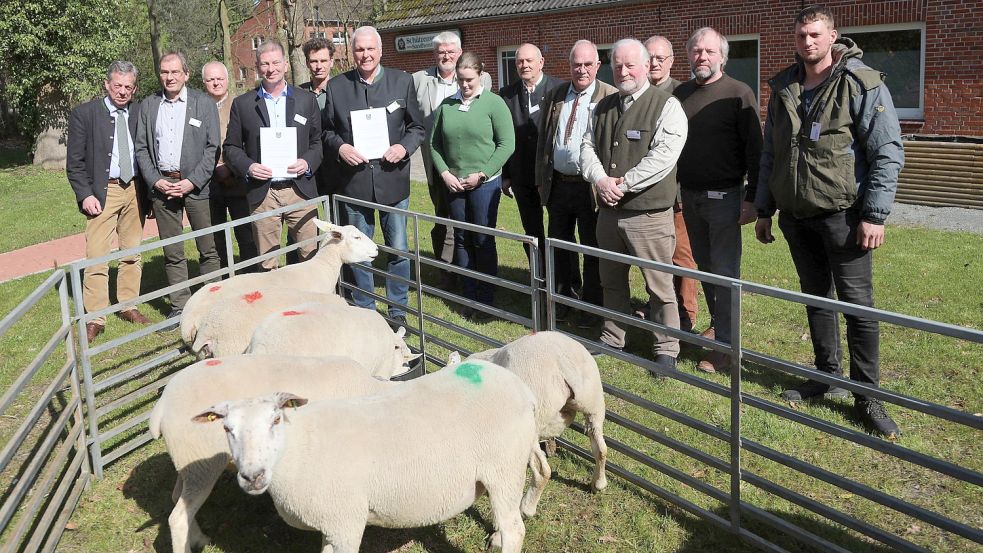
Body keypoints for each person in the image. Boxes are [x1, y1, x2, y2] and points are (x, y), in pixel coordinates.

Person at [755, 5, 904, 438]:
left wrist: (874, 215)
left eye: (816, 34)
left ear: (833, 35)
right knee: (816, 298)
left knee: (857, 306)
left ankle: (867, 395)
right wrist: (765, 209)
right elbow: (771, 153)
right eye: (802, 35)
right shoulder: (784, 86)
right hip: (797, 217)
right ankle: (826, 376)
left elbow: (887, 151)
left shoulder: (861, 82)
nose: (808, 42)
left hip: (846, 216)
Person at [581, 38, 688, 374]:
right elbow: (586, 147)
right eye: (618, 64)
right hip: (609, 214)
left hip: (648, 215)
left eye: (630, 65)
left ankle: (666, 348)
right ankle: (613, 337)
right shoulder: (602, 106)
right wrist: (600, 180)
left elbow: (664, 157)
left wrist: (623, 185)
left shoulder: (667, 105)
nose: (623, 71)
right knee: (610, 280)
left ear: (646, 66)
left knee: (659, 285)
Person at [322, 26, 425, 326]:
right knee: (357, 251)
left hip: (392, 181)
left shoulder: (402, 81)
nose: (365, 55)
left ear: (380, 51)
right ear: (351, 52)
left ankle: (397, 313)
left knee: (398, 250)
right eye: (359, 50)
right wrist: (340, 148)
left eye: (370, 49)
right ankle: (365, 311)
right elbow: (326, 131)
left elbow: (417, 128)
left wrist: (403, 148)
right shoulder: (337, 87)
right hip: (353, 183)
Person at [673, 28, 762, 373]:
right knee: (706, 269)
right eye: (696, 51)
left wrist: (752, 199)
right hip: (690, 196)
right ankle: (718, 327)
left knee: (725, 272)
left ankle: (726, 347)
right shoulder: (681, 94)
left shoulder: (739, 94)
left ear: (722, 57)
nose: (702, 57)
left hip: (725, 197)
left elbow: (756, 150)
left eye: (709, 52)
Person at [66, 61, 152, 341]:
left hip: (135, 189)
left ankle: (128, 305)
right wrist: (85, 194)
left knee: (131, 253)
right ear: (107, 84)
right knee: (98, 257)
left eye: (128, 87)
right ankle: (95, 317)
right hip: (104, 192)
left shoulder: (140, 112)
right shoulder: (84, 114)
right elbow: (75, 163)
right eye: (118, 85)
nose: (122, 91)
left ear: (134, 88)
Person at [135, 51, 221, 325]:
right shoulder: (148, 105)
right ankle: (179, 307)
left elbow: (212, 148)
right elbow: (141, 148)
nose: (169, 77)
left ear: (186, 73)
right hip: (163, 186)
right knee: (173, 252)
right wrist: (155, 180)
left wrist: (191, 181)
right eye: (164, 72)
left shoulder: (203, 103)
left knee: (208, 249)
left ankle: (212, 303)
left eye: (175, 72)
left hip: (195, 186)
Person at [535, 40, 616, 328]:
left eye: (587, 64)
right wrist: (540, 180)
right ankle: (562, 300)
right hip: (558, 185)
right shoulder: (556, 94)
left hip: (590, 189)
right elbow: (544, 140)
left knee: (592, 249)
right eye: (576, 64)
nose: (581, 70)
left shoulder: (610, 96)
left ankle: (591, 308)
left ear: (597, 66)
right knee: (558, 246)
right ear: (569, 66)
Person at [428, 52, 515, 320]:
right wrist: (444, 173)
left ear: (481, 76)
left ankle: (486, 299)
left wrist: (483, 173)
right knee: (462, 239)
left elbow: (507, 144)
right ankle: (469, 295)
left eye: (470, 80)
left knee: (482, 239)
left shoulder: (494, 103)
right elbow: (435, 144)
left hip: (484, 184)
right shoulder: (446, 105)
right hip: (454, 185)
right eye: (460, 80)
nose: (465, 85)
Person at [224, 41, 323, 272]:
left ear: (286, 65)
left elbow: (317, 142)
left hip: (300, 191)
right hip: (264, 193)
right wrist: (248, 167)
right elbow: (231, 147)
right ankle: (275, 306)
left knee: (311, 256)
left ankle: (310, 306)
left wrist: (308, 161)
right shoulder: (243, 104)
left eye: (276, 62)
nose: (271, 68)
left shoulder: (306, 100)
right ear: (258, 67)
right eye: (265, 64)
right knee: (268, 262)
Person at [413, 32, 492, 280]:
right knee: (443, 218)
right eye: (440, 52)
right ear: (434, 54)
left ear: (459, 53)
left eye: (450, 51)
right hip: (437, 164)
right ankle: (447, 271)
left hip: (471, 165)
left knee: (471, 220)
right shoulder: (418, 80)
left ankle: (473, 271)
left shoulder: (483, 79)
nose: (445, 56)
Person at [645, 34, 698, 333]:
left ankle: (686, 315)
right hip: (646, 195)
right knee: (654, 256)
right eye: (649, 57)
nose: (653, 63)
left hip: (677, 191)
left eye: (659, 58)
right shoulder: (636, 94)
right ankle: (660, 309)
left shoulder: (683, 94)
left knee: (682, 257)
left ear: (671, 61)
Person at [499, 43, 564, 271]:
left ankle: (564, 281)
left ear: (541, 62)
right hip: (522, 176)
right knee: (532, 230)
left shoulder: (560, 89)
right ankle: (541, 277)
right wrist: (506, 175)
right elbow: (503, 138)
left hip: (553, 175)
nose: (524, 65)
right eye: (520, 61)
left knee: (560, 232)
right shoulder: (506, 94)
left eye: (529, 61)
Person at [202, 60, 258, 274]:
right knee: (214, 237)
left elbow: (249, 142)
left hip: (238, 182)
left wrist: (230, 168)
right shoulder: (197, 106)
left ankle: (250, 276)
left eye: (220, 79)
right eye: (211, 79)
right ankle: (223, 278)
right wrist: (215, 167)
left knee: (246, 234)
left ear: (228, 79)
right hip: (207, 184)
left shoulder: (241, 104)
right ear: (204, 82)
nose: (216, 83)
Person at [299, 36, 335, 198]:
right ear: (307, 63)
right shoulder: (298, 94)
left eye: (323, 60)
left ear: (331, 61)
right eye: (313, 61)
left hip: (337, 165)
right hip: (309, 165)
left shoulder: (343, 91)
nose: (319, 66)